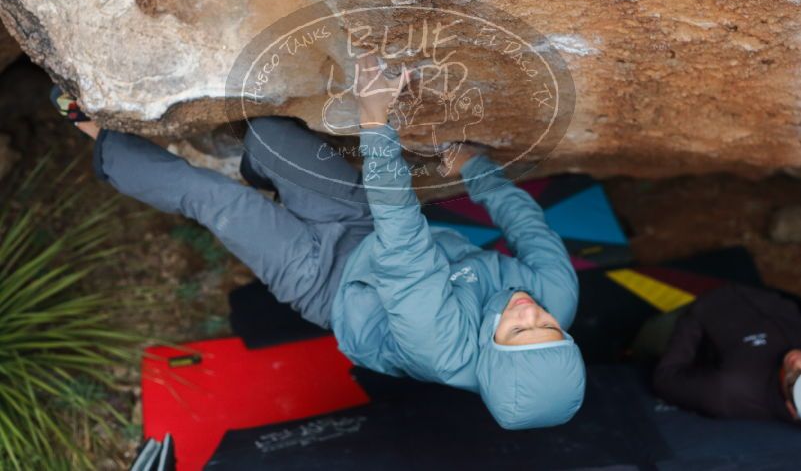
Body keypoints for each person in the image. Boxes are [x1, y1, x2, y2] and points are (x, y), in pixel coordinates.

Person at [59, 53, 585, 429]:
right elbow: (527, 225)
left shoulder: (440, 348)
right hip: (369, 230)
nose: (529, 311)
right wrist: (477, 168)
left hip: (327, 284)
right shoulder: (555, 295)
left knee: (219, 203)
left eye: (519, 332)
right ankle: (256, 169)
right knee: (270, 134)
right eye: (548, 327)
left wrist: (375, 118)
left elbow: (406, 239)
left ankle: (99, 136)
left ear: (493, 355)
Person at [653, 283, 801, 423]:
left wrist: (699, 309)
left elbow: (665, 378)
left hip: (691, 312)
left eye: (794, 378)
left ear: (791, 410)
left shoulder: (727, 393)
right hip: (751, 291)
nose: (796, 361)